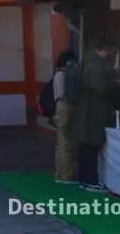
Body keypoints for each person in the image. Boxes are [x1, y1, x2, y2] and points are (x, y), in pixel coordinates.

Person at [72, 34, 120, 192]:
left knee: (85, 146)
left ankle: (84, 179)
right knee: (90, 146)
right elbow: (101, 87)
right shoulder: (95, 64)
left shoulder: (88, 61)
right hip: (93, 111)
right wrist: (116, 84)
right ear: (107, 49)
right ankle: (91, 180)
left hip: (87, 110)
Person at [52, 48, 78, 185]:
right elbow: (63, 94)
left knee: (60, 143)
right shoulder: (62, 75)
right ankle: (68, 175)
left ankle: (60, 173)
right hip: (65, 109)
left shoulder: (57, 73)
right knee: (66, 143)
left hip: (60, 109)